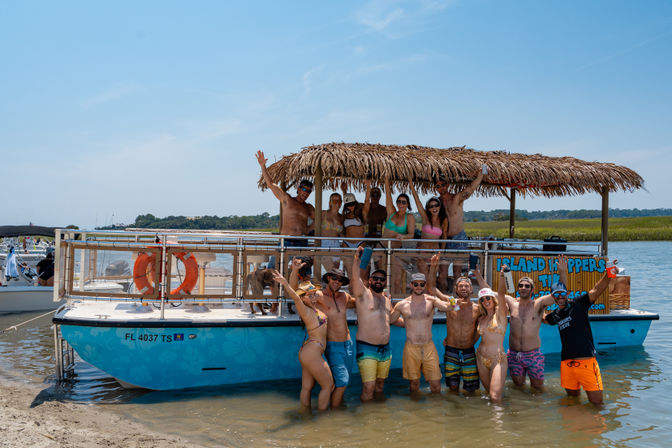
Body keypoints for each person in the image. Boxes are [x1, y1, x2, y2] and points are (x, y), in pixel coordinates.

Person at [544, 260, 613, 406]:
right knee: (572, 402)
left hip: (586, 362)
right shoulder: (555, 314)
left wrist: (608, 274)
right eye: (557, 295)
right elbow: (542, 318)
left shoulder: (579, 304)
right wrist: (526, 305)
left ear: (567, 293)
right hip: (566, 364)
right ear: (553, 298)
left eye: (563, 293)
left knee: (597, 404)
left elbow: (596, 290)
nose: (560, 296)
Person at [290, 260, 355, 408]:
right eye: (334, 278)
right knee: (341, 382)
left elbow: (361, 301)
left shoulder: (344, 296)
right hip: (332, 345)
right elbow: (294, 292)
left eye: (340, 280)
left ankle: (335, 405)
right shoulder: (317, 295)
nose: (337, 282)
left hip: (348, 344)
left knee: (343, 382)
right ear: (327, 279)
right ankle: (334, 412)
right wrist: (294, 271)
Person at [271, 271, 334, 411]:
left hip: (308, 351)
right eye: (309, 295)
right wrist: (285, 283)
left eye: (313, 294)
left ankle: (305, 415)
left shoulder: (315, 308)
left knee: (307, 387)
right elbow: (295, 297)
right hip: (312, 352)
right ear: (303, 298)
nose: (312, 297)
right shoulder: (305, 310)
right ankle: (322, 419)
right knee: (329, 386)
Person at [428, 254, 480, 394]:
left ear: (471, 289)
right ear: (456, 290)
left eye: (466, 286)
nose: (463, 288)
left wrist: (473, 341)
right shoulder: (450, 303)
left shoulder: (477, 308)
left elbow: (480, 329)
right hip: (451, 350)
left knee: (471, 389)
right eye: (461, 286)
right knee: (452, 387)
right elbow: (432, 288)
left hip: (469, 351)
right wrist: (433, 267)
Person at [390, 273, 450, 394]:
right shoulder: (402, 304)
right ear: (411, 285)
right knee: (414, 384)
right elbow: (391, 320)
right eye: (416, 284)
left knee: (436, 385)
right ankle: (415, 410)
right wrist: (387, 303)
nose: (419, 286)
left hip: (428, 346)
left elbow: (448, 307)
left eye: (421, 284)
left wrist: (453, 301)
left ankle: (434, 411)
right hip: (411, 347)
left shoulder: (431, 301)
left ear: (424, 285)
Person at [351, 247, 394, 401]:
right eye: (375, 278)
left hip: (385, 349)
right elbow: (355, 278)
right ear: (369, 280)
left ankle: (377, 416)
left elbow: (393, 320)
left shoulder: (387, 300)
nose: (378, 281)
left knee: (380, 384)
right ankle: (366, 421)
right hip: (367, 347)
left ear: (385, 283)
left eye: (382, 279)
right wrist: (356, 259)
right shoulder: (363, 294)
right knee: (369, 387)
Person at [256, 150, 314, 245]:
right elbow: (271, 184)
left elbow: (320, 219)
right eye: (304, 190)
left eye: (308, 191)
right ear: (299, 189)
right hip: (287, 241)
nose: (306, 193)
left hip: (302, 242)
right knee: (278, 260)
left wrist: (309, 229)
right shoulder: (287, 200)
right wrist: (262, 166)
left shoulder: (308, 207)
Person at [436, 164, 487, 249]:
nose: (441, 188)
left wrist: (480, 175)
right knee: (442, 262)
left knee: (460, 262)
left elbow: (471, 188)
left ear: (447, 185)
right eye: (438, 186)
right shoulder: (436, 203)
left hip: (458, 238)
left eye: (443, 184)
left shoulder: (456, 198)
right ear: (435, 188)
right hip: (443, 239)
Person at [475, 283, 509, 402]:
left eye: (488, 298)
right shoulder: (481, 318)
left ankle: (499, 420)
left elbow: (501, 294)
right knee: (488, 393)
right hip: (481, 358)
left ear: (493, 299)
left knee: (495, 397)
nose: (486, 301)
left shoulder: (500, 315)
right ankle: (489, 418)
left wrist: (502, 277)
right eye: (482, 299)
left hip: (497, 359)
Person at [409, 180, 449, 279]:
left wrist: (442, 252)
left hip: (435, 252)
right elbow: (417, 200)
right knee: (424, 279)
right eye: (431, 206)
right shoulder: (425, 218)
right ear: (428, 208)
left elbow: (444, 236)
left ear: (440, 206)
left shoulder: (444, 220)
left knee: (433, 280)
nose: (434, 208)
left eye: (436, 205)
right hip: (422, 252)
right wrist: (411, 183)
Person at [382, 178, 416, 295]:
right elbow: (388, 195)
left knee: (395, 278)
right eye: (399, 202)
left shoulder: (409, 217)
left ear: (407, 205)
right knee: (382, 277)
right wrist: (386, 179)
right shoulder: (392, 212)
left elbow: (411, 235)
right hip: (381, 247)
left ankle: (395, 302)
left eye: (403, 202)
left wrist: (403, 236)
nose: (400, 204)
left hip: (395, 251)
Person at [320, 192, 344, 274]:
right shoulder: (323, 214)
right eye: (334, 201)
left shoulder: (341, 217)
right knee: (332, 272)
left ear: (341, 203)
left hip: (336, 245)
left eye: (339, 201)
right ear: (330, 202)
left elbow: (342, 234)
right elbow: (313, 227)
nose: (337, 203)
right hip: (324, 244)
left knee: (335, 273)